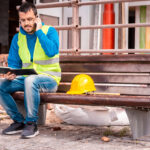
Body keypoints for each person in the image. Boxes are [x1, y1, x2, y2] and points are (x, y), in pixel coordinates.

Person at [0, 2, 61, 139]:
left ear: (36, 18)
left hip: (49, 79)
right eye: (23, 20)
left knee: (30, 80)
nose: (26, 23)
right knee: (1, 85)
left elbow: (52, 51)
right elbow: (14, 64)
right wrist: (11, 74)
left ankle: (31, 123)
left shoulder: (49, 31)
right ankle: (18, 121)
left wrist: (39, 31)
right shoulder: (18, 38)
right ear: (19, 20)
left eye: (30, 19)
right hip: (27, 80)